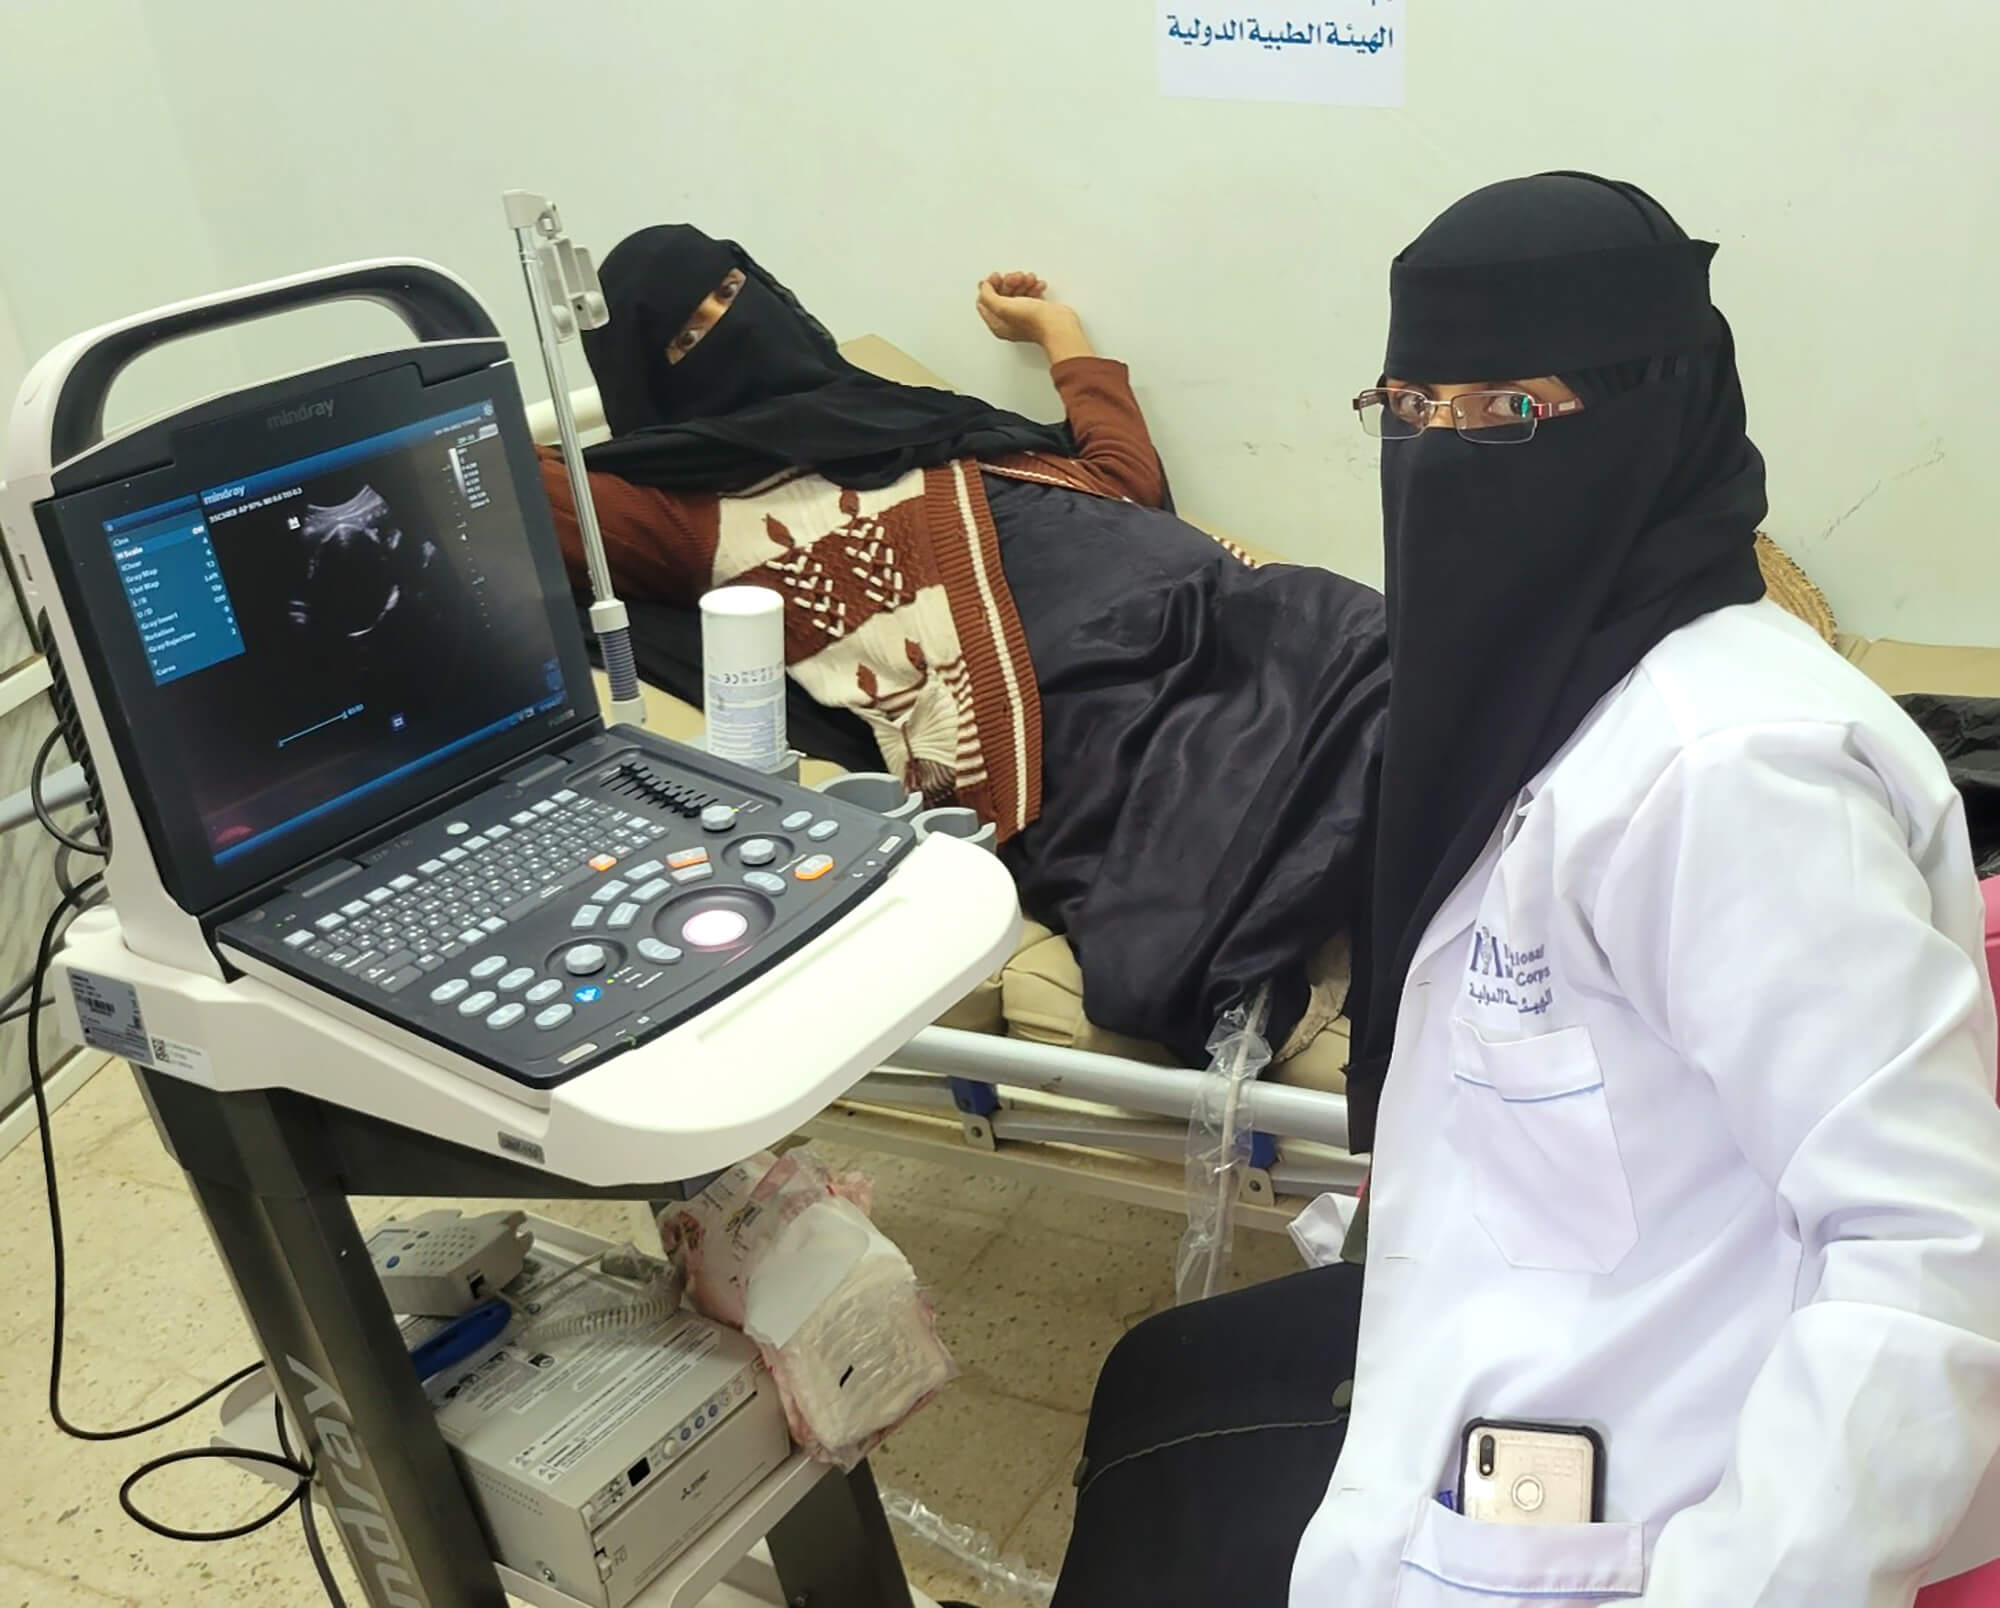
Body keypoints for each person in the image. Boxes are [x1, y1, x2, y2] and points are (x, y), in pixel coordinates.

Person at [1052, 172, 2000, 1608]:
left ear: (1655, 413)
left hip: (1658, 1488)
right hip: (1508, 1335)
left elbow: (1935, 1259)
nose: (1441, 459)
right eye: (1409, 412)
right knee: (1152, 1386)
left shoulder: (1738, 776)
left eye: (1504, 416)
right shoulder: (1537, 693)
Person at [537, 224, 1388, 1077]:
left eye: (733, 289)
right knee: (1243, 770)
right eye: (690, 335)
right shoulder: (672, 505)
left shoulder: (921, 415)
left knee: (1392, 653)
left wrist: (1059, 334)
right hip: (1099, 692)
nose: (732, 322)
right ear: (647, 378)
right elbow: (479, 480)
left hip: (1257, 613)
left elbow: (1127, 482)